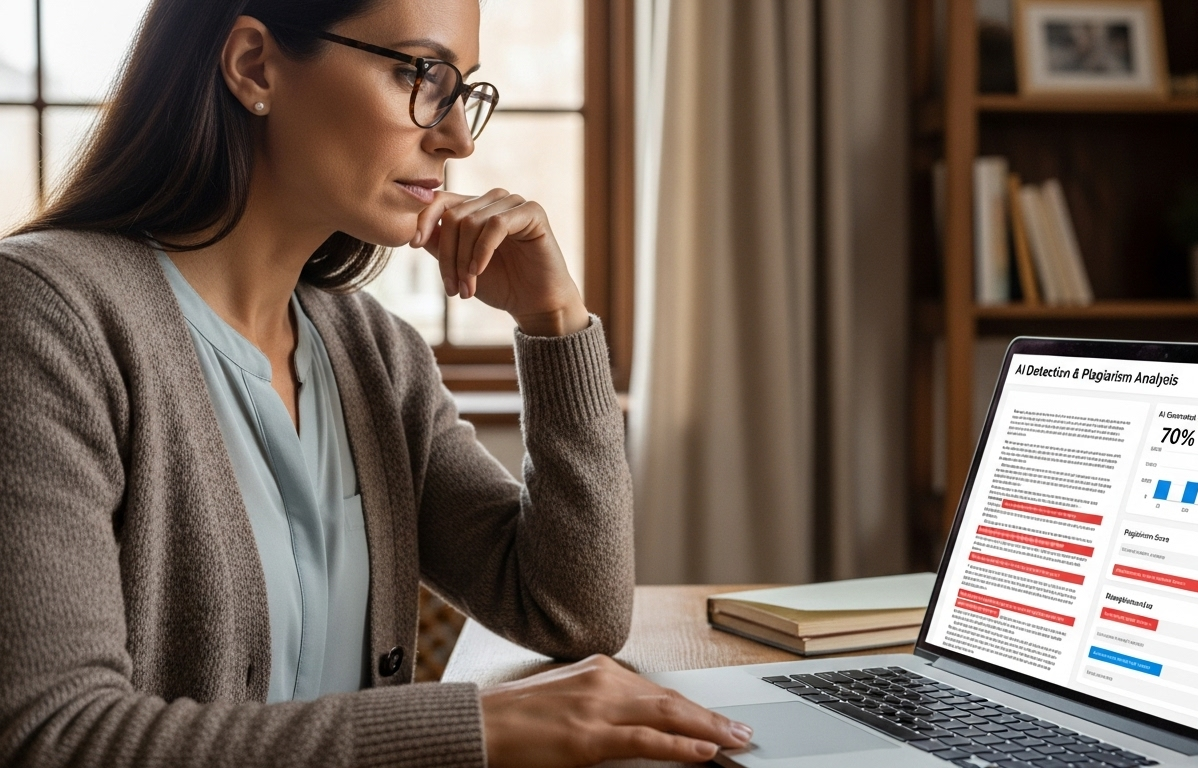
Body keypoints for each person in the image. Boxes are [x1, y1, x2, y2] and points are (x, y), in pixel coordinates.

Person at [0, 0, 752, 765]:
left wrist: (556, 322)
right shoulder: (46, 319)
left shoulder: (373, 354)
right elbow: (54, 737)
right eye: (420, 73)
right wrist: (476, 726)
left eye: (464, 91)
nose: (456, 136)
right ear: (255, 64)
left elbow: (570, 609)